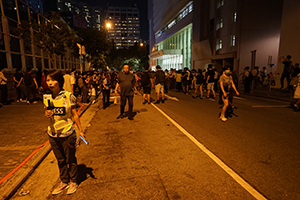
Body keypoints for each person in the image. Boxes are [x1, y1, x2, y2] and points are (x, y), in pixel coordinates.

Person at [44, 70, 86, 195]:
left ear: (59, 81)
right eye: (48, 80)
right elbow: (47, 112)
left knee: (70, 158)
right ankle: (64, 181)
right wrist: (46, 114)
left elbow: (74, 114)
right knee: (60, 159)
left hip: (67, 133)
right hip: (53, 134)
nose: (50, 83)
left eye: (53, 80)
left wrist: (81, 131)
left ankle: (73, 181)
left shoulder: (68, 96)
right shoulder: (47, 97)